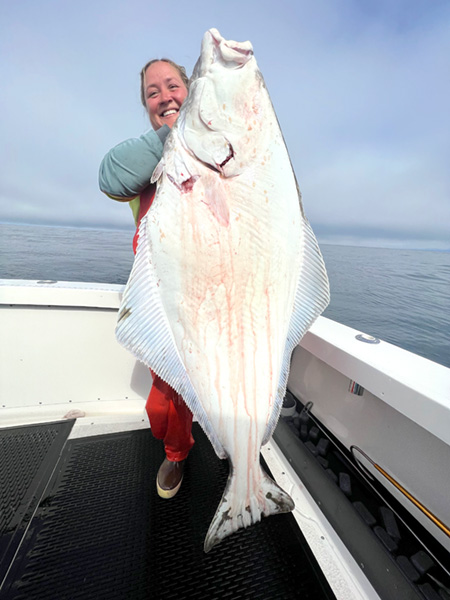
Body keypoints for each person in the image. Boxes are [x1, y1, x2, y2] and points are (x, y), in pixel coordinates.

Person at [99, 58, 193, 499]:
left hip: (215, 293)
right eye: (153, 93)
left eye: (173, 86)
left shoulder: (220, 150)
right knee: (164, 399)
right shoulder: (143, 160)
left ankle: (235, 443)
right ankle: (176, 453)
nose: (164, 97)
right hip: (163, 301)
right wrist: (172, 134)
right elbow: (110, 175)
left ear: (191, 91)